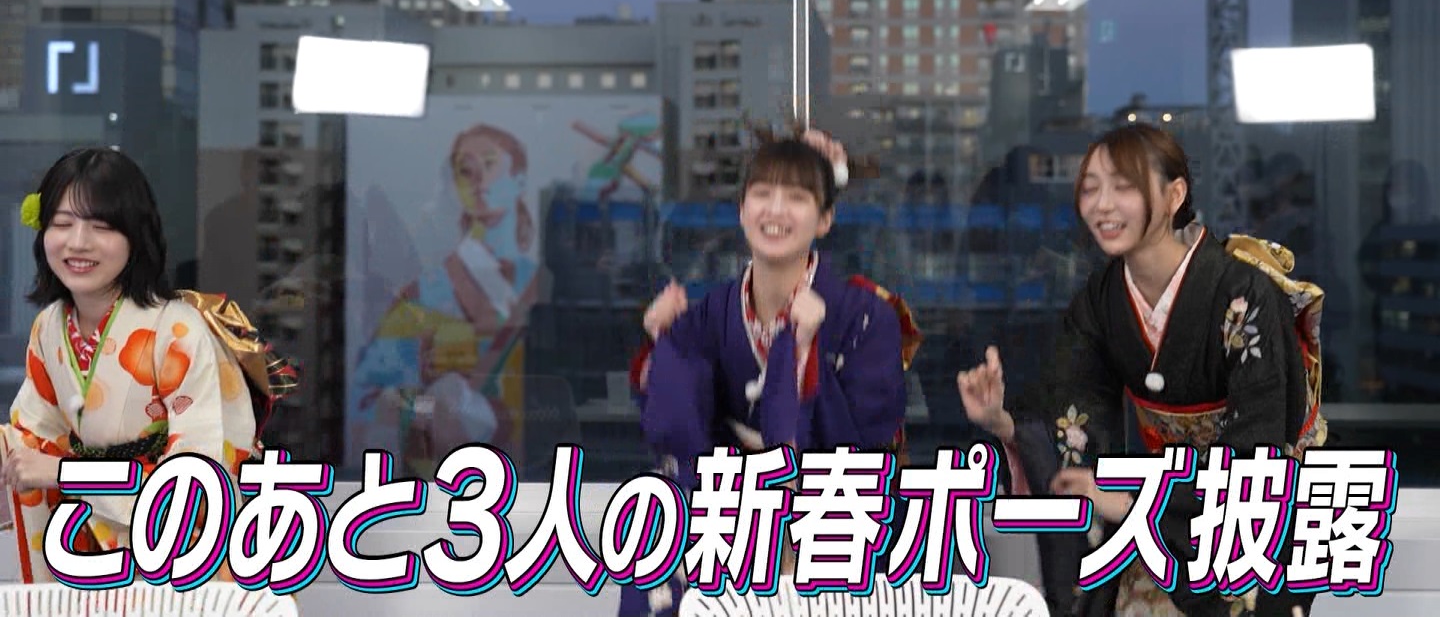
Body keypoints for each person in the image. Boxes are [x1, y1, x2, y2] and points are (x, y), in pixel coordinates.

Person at [958, 123, 1325, 617]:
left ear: (1175, 195)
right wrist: (1003, 422)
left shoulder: (1245, 295)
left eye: (1123, 187)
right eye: (1090, 188)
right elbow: (1074, 420)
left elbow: (1257, 453)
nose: (1102, 205)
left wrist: (1133, 506)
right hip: (1156, 509)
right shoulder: (1100, 301)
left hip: (1247, 513)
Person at [617, 127, 922, 616]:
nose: (775, 210)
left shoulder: (867, 315)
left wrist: (803, 354)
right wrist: (664, 346)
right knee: (657, 515)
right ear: (742, 210)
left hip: (835, 509)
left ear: (825, 219)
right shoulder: (709, 314)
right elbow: (674, 431)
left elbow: (868, 441)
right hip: (735, 512)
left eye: (797, 197)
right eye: (762, 194)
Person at [4, 147, 259, 583]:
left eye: (101, 226)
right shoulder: (50, 327)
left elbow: (200, 478)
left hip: (182, 555)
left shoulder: (178, 330)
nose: (78, 242)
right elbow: (32, 436)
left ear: (136, 237)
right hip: (93, 545)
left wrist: (67, 475)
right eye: (62, 224)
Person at [351, 123, 541, 476]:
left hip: (529, 485)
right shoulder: (416, 298)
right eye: (465, 173)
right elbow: (372, 406)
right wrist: (424, 404)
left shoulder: (537, 290)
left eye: (489, 167)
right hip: (430, 485)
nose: (478, 184)